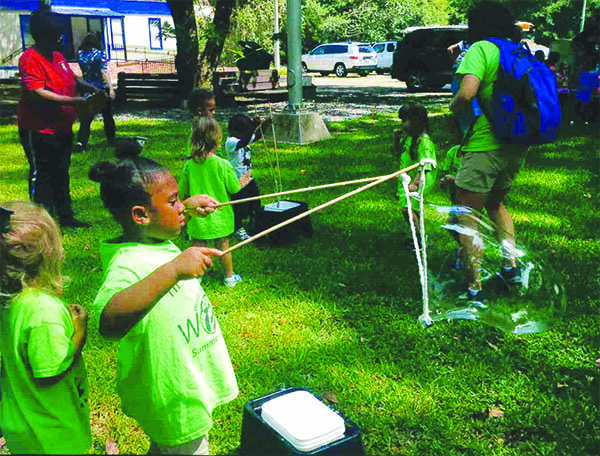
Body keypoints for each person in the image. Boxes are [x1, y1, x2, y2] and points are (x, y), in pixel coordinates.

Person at [89, 155, 238, 455]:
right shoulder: (126, 264)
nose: (181, 206)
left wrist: (189, 208)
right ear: (140, 215)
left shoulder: (153, 238)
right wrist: (173, 270)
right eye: (173, 202)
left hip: (186, 379)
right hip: (173, 393)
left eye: (179, 199)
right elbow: (109, 321)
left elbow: (164, 226)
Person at [449, 1, 528, 301]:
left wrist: (451, 108)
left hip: (485, 143)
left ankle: (474, 288)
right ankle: (511, 268)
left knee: (467, 215)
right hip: (516, 144)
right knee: (497, 205)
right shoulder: (517, 51)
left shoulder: (482, 49)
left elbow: (467, 93)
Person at [0, 201, 91, 454]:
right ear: (49, 254)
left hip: (23, 421)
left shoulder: (10, 298)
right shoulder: (43, 311)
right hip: (51, 434)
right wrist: (80, 333)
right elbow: (50, 371)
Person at [18, 8, 99, 229]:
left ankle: (65, 216)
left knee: (62, 172)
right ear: (41, 36)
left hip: (62, 128)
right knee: (42, 175)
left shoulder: (58, 56)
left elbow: (71, 78)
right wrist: (73, 101)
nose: (59, 38)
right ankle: (40, 221)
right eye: (54, 35)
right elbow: (37, 92)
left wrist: (86, 86)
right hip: (39, 129)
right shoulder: (30, 59)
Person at [179, 116, 244, 287]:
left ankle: (197, 278)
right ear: (217, 142)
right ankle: (229, 278)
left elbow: (181, 191)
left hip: (197, 217)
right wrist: (243, 181)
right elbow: (235, 188)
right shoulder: (222, 164)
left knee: (198, 247)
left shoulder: (189, 165)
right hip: (220, 217)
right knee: (223, 246)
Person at [392, 101, 437, 247]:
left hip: (419, 179)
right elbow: (398, 153)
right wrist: (396, 140)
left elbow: (425, 165)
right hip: (409, 179)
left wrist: (415, 184)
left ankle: (420, 238)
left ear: (416, 121)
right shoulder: (411, 139)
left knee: (408, 209)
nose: (403, 124)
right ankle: (418, 235)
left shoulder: (424, 142)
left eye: (405, 120)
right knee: (410, 209)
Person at [226, 114, 272, 240]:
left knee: (255, 202)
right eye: (246, 131)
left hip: (249, 178)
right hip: (237, 181)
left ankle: (255, 225)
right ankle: (237, 228)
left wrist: (265, 124)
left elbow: (256, 136)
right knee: (239, 207)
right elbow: (244, 141)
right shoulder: (231, 142)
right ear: (235, 131)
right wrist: (253, 126)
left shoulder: (243, 136)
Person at [75, 31, 116, 153]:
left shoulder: (80, 55)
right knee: (107, 115)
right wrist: (111, 88)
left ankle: (82, 142)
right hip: (100, 88)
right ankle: (111, 139)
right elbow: (104, 71)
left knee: (86, 118)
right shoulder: (99, 54)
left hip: (86, 87)